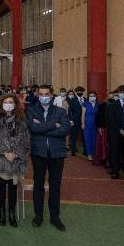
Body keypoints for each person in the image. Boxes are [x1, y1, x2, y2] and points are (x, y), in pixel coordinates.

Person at [26, 85, 71, 231]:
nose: (44, 96)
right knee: (38, 185)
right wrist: (53, 125)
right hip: (39, 153)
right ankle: (38, 215)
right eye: (41, 94)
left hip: (57, 154)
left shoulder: (60, 111)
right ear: (38, 95)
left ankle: (55, 217)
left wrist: (43, 128)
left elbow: (65, 129)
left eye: (47, 94)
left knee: (55, 186)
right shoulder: (31, 110)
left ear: (52, 95)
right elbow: (32, 128)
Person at [0, 95, 30, 227]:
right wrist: (4, 151)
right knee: (1, 186)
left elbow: (26, 137)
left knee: (13, 187)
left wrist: (16, 153)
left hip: (15, 160)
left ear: (15, 104)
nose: (8, 104)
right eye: (5, 102)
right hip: (0, 159)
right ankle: (1, 212)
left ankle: (11, 213)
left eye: (11, 102)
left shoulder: (21, 118)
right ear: (1, 103)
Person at [106, 85, 124, 179]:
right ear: (118, 93)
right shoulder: (113, 105)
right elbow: (111, 119)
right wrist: (120, 129)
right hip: (115, 132)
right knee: (115, 151)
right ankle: (115, 170)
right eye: (121, 92)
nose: (123, 93)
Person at [81, 90, 99, 161]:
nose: (92, 97)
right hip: (87, 123)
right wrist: (82, 123)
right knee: (88, 139)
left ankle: (95, 153)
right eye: (90, 96)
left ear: (96, 96)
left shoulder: (98, 104)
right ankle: (89, 154)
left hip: (96, 123)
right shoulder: (85, 104)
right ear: (88, 97)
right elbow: (82, 115)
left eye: (93, 96)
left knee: (95, 139)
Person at [67, 86, 84, 155]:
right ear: (76, 92)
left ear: (83, 92)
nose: (80, 92)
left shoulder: (85, 99)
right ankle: (73, 150)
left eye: (81, 91)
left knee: (84, 136)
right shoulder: (73, 100)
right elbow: (69, 111)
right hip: (75, 120)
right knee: (74, 135)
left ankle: (85, 151)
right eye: (78, 91)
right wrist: (71, 120)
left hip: (84, 120)